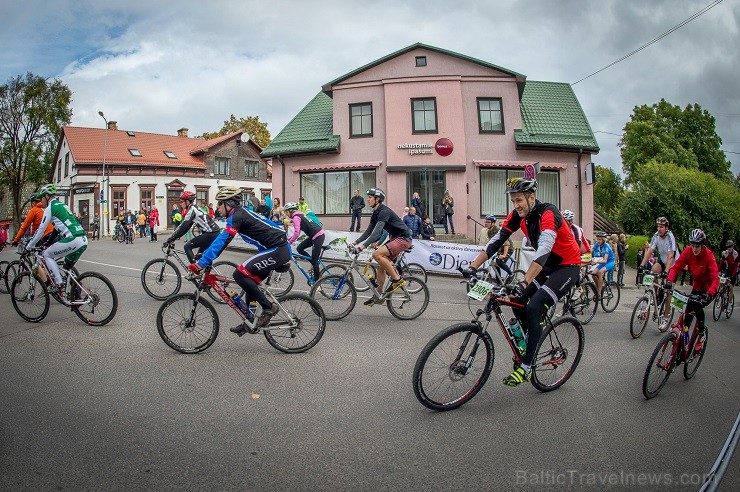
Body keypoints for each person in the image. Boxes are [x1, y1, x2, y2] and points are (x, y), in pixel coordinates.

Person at [462, 177, 581, 387]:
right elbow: (496, 240)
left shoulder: (548, 213)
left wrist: (525, 280)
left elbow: (544, 249)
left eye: (519, 200)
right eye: (513, 201)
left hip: (567, 268)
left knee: (534, 306)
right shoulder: (519, 216)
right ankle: (528, 341)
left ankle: (526, 367)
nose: (516, 205)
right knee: (516, 299)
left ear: (531, 197)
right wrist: (473, 266)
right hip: (546, 267)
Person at [187, 186, 290, 332]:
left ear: (228, 204)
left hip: (278, 249)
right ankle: (250, 321)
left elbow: (224, 240)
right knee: (249, 283)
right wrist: (204, 256)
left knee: (239, 274)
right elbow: (221, 241)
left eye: (219, 203)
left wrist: (201, 263)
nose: (217, 207)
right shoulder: (238, 215)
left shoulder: (237, 216)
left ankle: (269, 308)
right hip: (274, 249)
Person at [350, 188, 412, 304]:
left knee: (376, 254)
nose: (368, 199)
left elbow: (377, 233)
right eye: (368, 197)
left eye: (370, 197)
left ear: (377, 199)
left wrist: (362, 247)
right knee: (380, 265)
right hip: (395, 238)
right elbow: (369, 232)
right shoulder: (375, 213)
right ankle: (378, 295)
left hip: (403, 238)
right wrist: (355, 243)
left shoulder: (384, 212)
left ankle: (397, 280)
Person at [25, 184, 88, 297]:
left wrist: (29, 246)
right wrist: (47, 243)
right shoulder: (62, 205)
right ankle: (75, 296)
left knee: (46, 255)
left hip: (72, 239)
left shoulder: (50, 208)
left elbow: (40, 230)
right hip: (83, 240)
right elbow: (57, 229)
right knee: (66, 268)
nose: (41, 201)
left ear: (47, 196)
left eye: (42, 198)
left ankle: (59, 285)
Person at [665, 229, 718, 347]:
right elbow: (676, 267)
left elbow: (715, 279)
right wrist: (669, 281)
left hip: (708, 289)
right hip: (697, 287)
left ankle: (701, 333)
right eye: (693, 244)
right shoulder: (688, 251)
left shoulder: (708, 255)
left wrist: (709, 293)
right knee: (687, 312)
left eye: (697, 245)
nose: (694, 248)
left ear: (702, 245)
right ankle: (683, 340)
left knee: (697, 305)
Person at [164, 191, 222, 263]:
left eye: (182, 201)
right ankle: (206, 272)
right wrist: (173, 238)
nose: (180, 203)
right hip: (213, 233)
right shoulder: (195, 208)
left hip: (210, 234)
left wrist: (170, 239)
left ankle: (195, 269)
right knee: (200, 256)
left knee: (187, 246)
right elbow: (186, 227)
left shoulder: (192, 210)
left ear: (187, 201)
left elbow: (182, 226)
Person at [639, 217, 678, 319]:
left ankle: (665, 316)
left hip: (673, 264)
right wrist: (641, 265)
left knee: (669, 290)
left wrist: (666, 271)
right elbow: (649, 252)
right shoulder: (656, 236)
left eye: (661, 227)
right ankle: (657, 295)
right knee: (653, 271)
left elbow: (671, 256)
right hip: (663, 261)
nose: (659, 229)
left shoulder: (670, 237)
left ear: (666, 228)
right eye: (658, 227)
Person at [285, 201, 325, 283]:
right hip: (314, 236)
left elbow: (296, 233)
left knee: (314, 261)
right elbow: (298, 232)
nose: (286, 214)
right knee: (300, 248)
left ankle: (317, 284)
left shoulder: (296, 217)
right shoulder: (299, 215)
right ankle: (315, 264)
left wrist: (289, 243)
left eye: (286, 212)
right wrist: (288, 240)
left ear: (291, 211)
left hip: (318, 236)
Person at [590, 231, 616, 297]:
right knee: (593, 274)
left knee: (600, 272)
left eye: (600, 239)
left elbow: (604, 261)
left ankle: (599, 293)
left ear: (603, 240)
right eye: (597, 239)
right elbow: (590, 251)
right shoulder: (597, 244)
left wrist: (595, 262)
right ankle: (599, 286)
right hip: (602, 261)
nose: (598, 241)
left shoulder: (606, 247)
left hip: (610, 262)